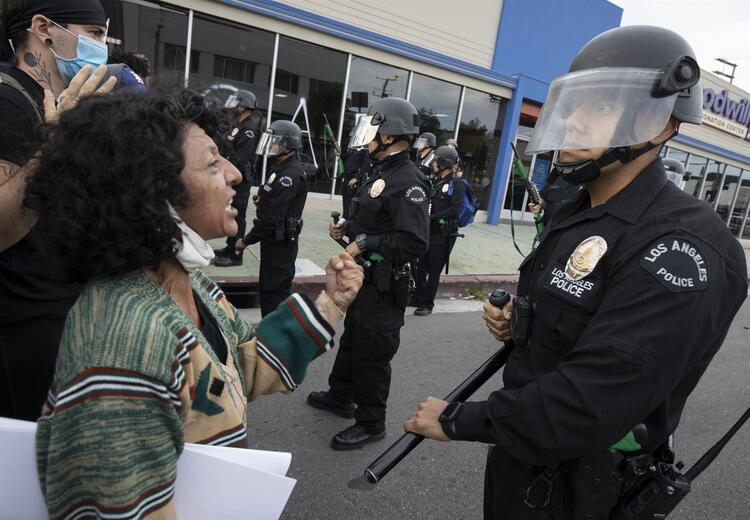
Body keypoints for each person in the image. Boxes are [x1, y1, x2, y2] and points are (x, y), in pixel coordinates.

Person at [404, 26, 747, 519]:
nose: (574, 120)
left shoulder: (684, 246)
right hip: (525, 455)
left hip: (584, 484)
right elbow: (574, 320)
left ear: (662, 125)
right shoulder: (578, 209)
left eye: (602, 107)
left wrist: (461, 420)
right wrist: (517, 326)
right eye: (576, 104)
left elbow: (597, 395)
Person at [25, 89, 364, 517]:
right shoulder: (126, 339)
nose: (236, 174)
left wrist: (331, 302)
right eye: (211, 162)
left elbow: (239, 369)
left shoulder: (191, 281)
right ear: (152, 188)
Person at [0, 0, 117, 420]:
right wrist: (55, 141)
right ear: (42, 28)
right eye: (96, 34)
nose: (104, 47)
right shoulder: (7, 97)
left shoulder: (62, 102)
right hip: (22, 329)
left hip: (63, 315)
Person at [307, 97, 429, 450]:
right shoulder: (382, 172)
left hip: (386, 284)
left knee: (373, 353)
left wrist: (363, 242)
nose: (369, 138)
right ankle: (340, 396)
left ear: (390, 136)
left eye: (374, 131)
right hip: (365, 279)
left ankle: (371, 422)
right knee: (353, 339)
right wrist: (346, 231)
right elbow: (375, 222)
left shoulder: (409, 181)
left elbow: (414, 242)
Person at [235, 119, 308, 316]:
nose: (271, 145)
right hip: (272, 243)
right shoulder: (280, 167)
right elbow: (272, 199)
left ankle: (274, 343)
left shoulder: (290, 174)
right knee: (268, 291)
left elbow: (273, 218)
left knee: (273, 295)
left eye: (275, 141)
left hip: (280, 245)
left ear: (288, 144)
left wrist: (246, 240)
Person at [413, 145, 465, 316]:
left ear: (445, 163)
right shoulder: (437, 181)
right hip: (429, 231)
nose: (433, 164)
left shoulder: (457, 184)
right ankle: (418, 297)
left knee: (434, 269)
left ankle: (427, 304)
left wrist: (433, 217)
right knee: (421, 266)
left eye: (436, 161)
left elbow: (456, 210)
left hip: (444, 233)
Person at [214, 89, 261, 267]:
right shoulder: (239, 124)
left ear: (244, 106)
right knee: (232, 211)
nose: (234, 106)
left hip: (240, 179)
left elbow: (240, 159)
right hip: (234, 177)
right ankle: (229, 246)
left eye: (237, 103)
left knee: (238, 214)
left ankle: (236, 253)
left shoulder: (249, 129)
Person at [340, 145, 371, 220]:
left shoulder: (365, 148)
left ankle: (350, 220)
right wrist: (339, 154)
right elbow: (346, 158)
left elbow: (366, 164)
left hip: (355, 178)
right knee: (345, 199)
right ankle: (345, 218)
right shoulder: (353, 147)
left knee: (352, 202)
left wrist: (357, 178)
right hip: (347, 176)